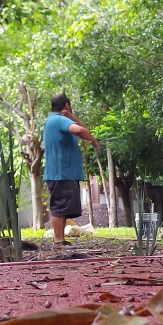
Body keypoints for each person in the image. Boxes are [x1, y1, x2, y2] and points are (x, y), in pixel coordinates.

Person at [43, 94, 99, 245]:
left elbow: (82, 129)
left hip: (62, 173)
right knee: (59, 207)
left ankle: (60, 240)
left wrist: (72, 117)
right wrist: (93, 140)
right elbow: (79, 130)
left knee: (62, 208)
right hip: (61, 172)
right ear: (67, 105)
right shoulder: (59, 120)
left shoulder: (52, 120)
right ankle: (59, 240)